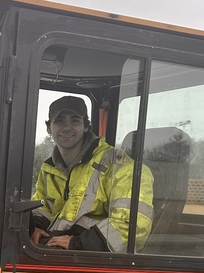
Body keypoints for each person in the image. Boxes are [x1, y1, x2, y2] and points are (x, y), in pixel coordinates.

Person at [31, 96, 154, 251]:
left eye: (75, 120)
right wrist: (35, 227)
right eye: (60, 121)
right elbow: (43, 206)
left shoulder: (122, 168)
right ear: (49, 128)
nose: (67, 127)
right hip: (56, 250)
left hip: (92, 258)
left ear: (86, 126)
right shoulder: (50, 169)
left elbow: (134, 225)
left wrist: (78, 244)